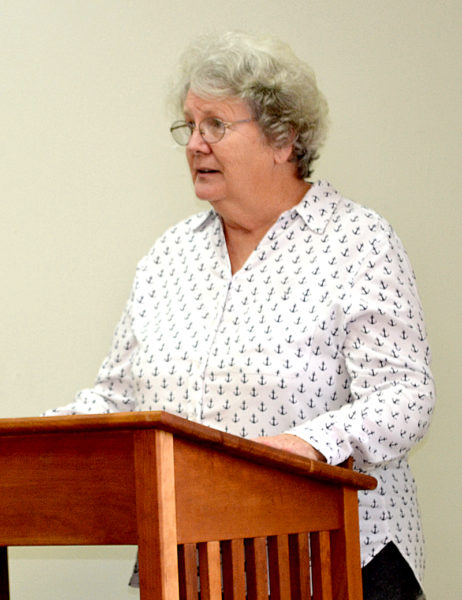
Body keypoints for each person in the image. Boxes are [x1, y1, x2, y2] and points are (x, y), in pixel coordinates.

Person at [45, 31, 434, 599]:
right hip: (199, 567)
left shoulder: (357, 241)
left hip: (338, 562)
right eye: (189, 126)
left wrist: (301, 447)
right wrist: (37, 438)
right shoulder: (168, 257)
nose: (195, 145)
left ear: (283, 139)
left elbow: (405, 397)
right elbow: (119, 399)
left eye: (215, 126)